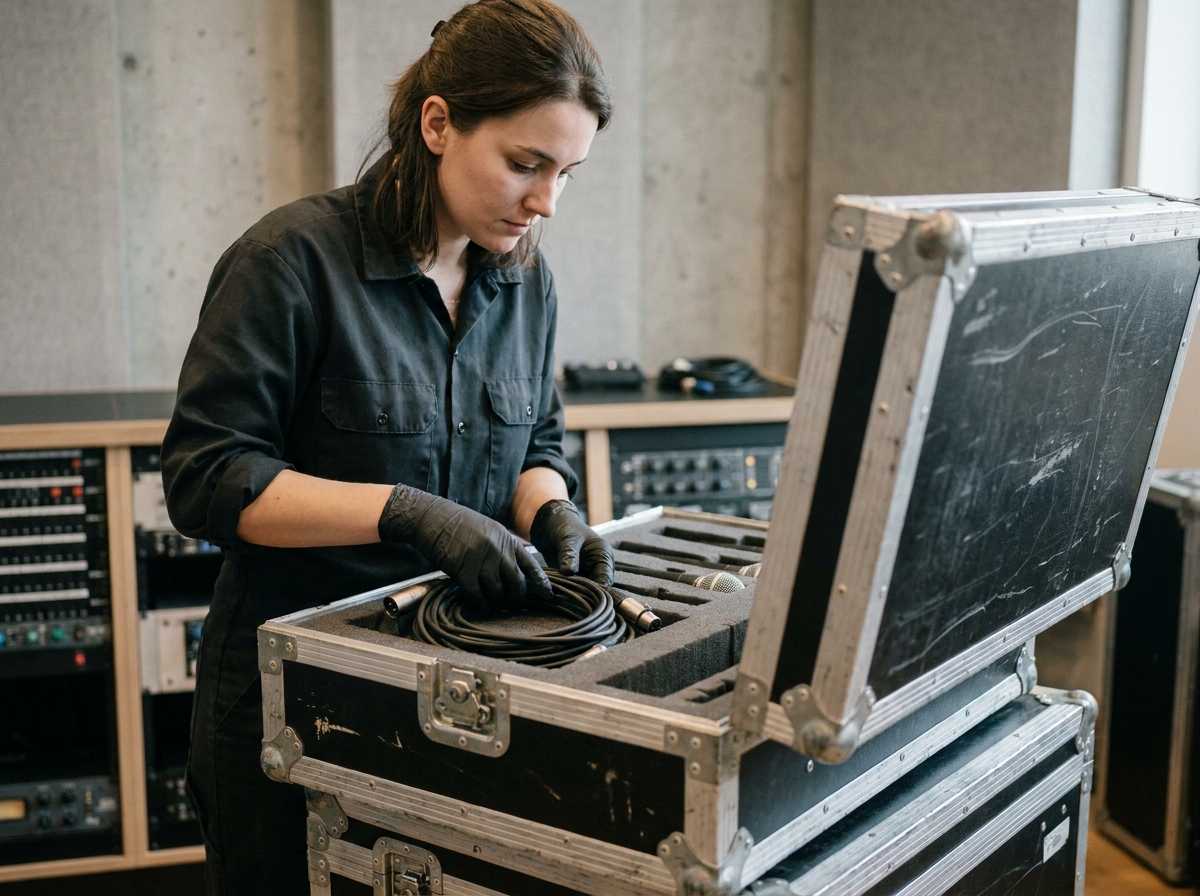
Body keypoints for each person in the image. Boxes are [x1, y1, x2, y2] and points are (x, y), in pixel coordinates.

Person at [160, 1, 614, 891]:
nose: (546, 202)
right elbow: (207, 479)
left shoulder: (526, 280)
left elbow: (540, 437)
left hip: (454, 693)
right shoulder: (288, 263)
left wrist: (549, 506)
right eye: (525, 164)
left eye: (568, 173)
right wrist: (406, 516)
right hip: (290, 706)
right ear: (437, 123)